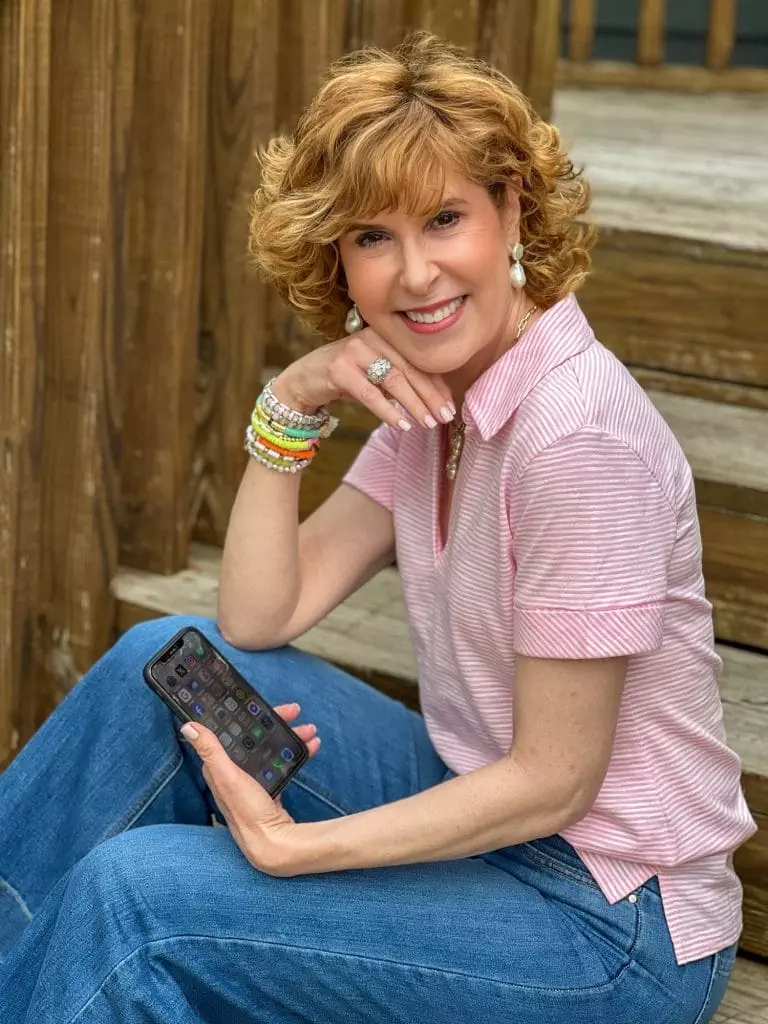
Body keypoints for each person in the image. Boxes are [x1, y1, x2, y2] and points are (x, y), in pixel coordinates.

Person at [0, 31, 756, 1024]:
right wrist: (292, 397)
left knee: (140, 901)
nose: (415, 275)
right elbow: (265, 612)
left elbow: (555, 782)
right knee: (167, 662)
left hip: (613, 927)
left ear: (513, 210)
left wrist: (295, 847)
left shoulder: (579, 438)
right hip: (483, 812)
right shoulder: (437, 397)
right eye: (372, 236)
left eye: (446, 219)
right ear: (338, 258)